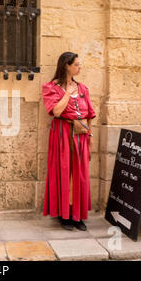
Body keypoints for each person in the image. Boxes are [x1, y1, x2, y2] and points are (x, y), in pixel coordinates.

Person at [41, 52, 96, 231]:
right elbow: (56, 111)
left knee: (79, 175)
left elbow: (89, 115)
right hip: (62, 134)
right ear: (67, 65)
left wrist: (90, 136)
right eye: (76, 64)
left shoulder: (83, 89)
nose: (79, 67)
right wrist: (67, 94)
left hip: (80, 135)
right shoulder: (51, 87)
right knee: (64, 173)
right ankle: (64, 215)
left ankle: (77, 215)